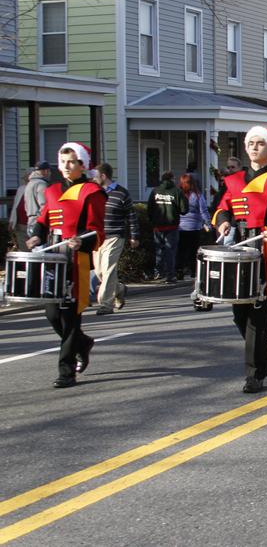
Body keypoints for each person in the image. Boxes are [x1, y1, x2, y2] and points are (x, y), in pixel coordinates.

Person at [213, 126, 267, 393]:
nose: (253, 147)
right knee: (240, 314)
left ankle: (254, 373)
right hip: (238, 250)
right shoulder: (233, 180)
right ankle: (263, 346)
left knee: (258, 316)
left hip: (264, 251)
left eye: (260, 143)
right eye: (250, 142)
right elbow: (221, 209)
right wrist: (224, 223)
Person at [26, 143, 106, 388]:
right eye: (62, 162)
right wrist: (37, 234)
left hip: (75, 258)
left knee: (71, 318)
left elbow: (97, 230)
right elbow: (43, 219)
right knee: (52, 314)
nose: (66, 166)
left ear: (82, 164)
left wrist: (81, 239)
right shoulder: (52, 190)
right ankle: (82, 343)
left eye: (71, 162)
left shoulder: (92, 191)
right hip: (52, 257)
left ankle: (66, 371)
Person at [93, 163, 140, 314]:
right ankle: (119, 289)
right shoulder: (95, 193)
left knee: (108, 269)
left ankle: (105, 304)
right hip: (98, 237)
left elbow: (131, 216)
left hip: (115, 236)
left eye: (95, 176)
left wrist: (134, 236)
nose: (93, 179)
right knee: (100, 272)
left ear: (103, 176)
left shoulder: (121, 193)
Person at [148, 171, 188, 283]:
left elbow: (150, 209)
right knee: (170, 250)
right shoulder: (177, 191)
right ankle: (170, 275)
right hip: (172, 226)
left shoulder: (155, 191)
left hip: (157, 226)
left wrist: (153, 221)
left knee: (159, 250)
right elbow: (184, 209)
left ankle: (158, 273)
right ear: (172, 179)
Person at [177, 173, 210, 280]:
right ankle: (194, 271)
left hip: (180, 227)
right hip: (194, 227)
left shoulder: (178, 194)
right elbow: (203, 211)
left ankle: (179, 271)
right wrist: (208, 223)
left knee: (181, 250)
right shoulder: (197, 195)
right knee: (193, 250)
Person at [24, 160, 52, 231]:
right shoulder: (41, 184)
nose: (50, 173)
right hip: (39, 222)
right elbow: (44, 205)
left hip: (30, 221)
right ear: (46, 171)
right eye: (49, 171)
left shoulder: (29, 184)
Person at [8, 170, 31, 250]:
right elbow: (15, 206)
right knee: (23, 248)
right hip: (20, 224)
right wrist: (12, 221)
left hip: (32, 224)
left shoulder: (38, 187)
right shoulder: (21, 189)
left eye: (26, 177)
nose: (25, 179)